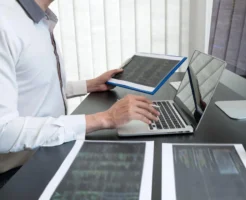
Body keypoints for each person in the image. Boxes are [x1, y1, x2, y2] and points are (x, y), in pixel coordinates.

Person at [0, 0, 160, 177]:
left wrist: (89, 85)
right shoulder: (5, 23)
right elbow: (3, 131)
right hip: (18, 172)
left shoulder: (40, 18)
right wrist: (105, 118)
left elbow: (31, 86)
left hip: (48, 149)